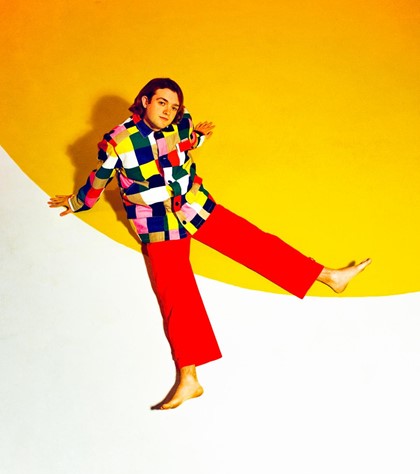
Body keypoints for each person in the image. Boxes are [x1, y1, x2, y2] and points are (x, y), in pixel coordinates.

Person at [48, 78, 371, 410]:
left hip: (194, 205)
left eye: (174, 106)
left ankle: (329, 277)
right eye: (161, 103)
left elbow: (186, 142)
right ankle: (189, 378)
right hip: (158, 222)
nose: (168, 112)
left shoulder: (180, 124)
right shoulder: (119, 142)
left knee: (252, 242)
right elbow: (99, 179)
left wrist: (199, 136)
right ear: (145, 101)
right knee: (176, 292)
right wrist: (76, 202)